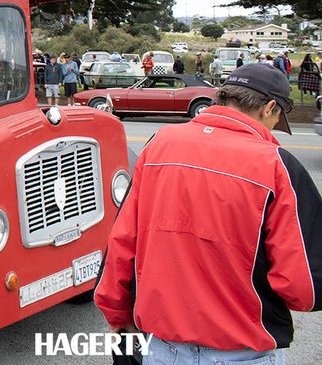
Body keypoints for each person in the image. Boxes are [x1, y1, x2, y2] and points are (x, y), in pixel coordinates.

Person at [95, 64, 322, 364]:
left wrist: (117, 313)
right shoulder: (277, 166)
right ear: (269, 108)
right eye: (277, 118)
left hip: (162, 348)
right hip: (242, 351)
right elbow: (303, 288)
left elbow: (122, 243)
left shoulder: (158, 145)